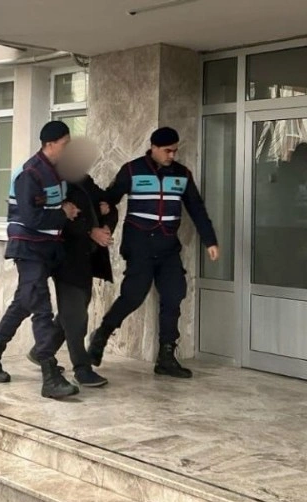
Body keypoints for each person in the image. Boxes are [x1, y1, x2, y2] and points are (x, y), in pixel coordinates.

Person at [88, 127, 219, 379]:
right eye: (167, 151)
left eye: (175, 151)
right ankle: (101, 335)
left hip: (168, 246)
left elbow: (196, 208)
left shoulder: (182, 174)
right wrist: (100, 217)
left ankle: (166, 357)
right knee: (133, 295)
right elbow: (110, 197)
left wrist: (210, 240)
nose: (172, 155)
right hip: (140, 244)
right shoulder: (132, 170)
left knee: (174, 295)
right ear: (154, 148)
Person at [0, 120, 81, 399]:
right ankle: (50, 374)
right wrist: (64, 213)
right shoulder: (30, 174)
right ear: (50, 144)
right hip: (28, 247)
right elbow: (32, 218)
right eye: (65, 144)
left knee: (24, 302)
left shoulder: (58, 172)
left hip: (48, 248)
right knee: (41, 308)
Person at [29, 136, 117, 388]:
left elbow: (107, 204)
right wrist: (91, 230)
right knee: (76, 316)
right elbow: (61, 219)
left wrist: (106, 224)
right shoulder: (54, 181)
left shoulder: (84, 180)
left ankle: (41, 350)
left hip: (88, 258)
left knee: (72, 311)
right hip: (65, 257)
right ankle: (82, 368)